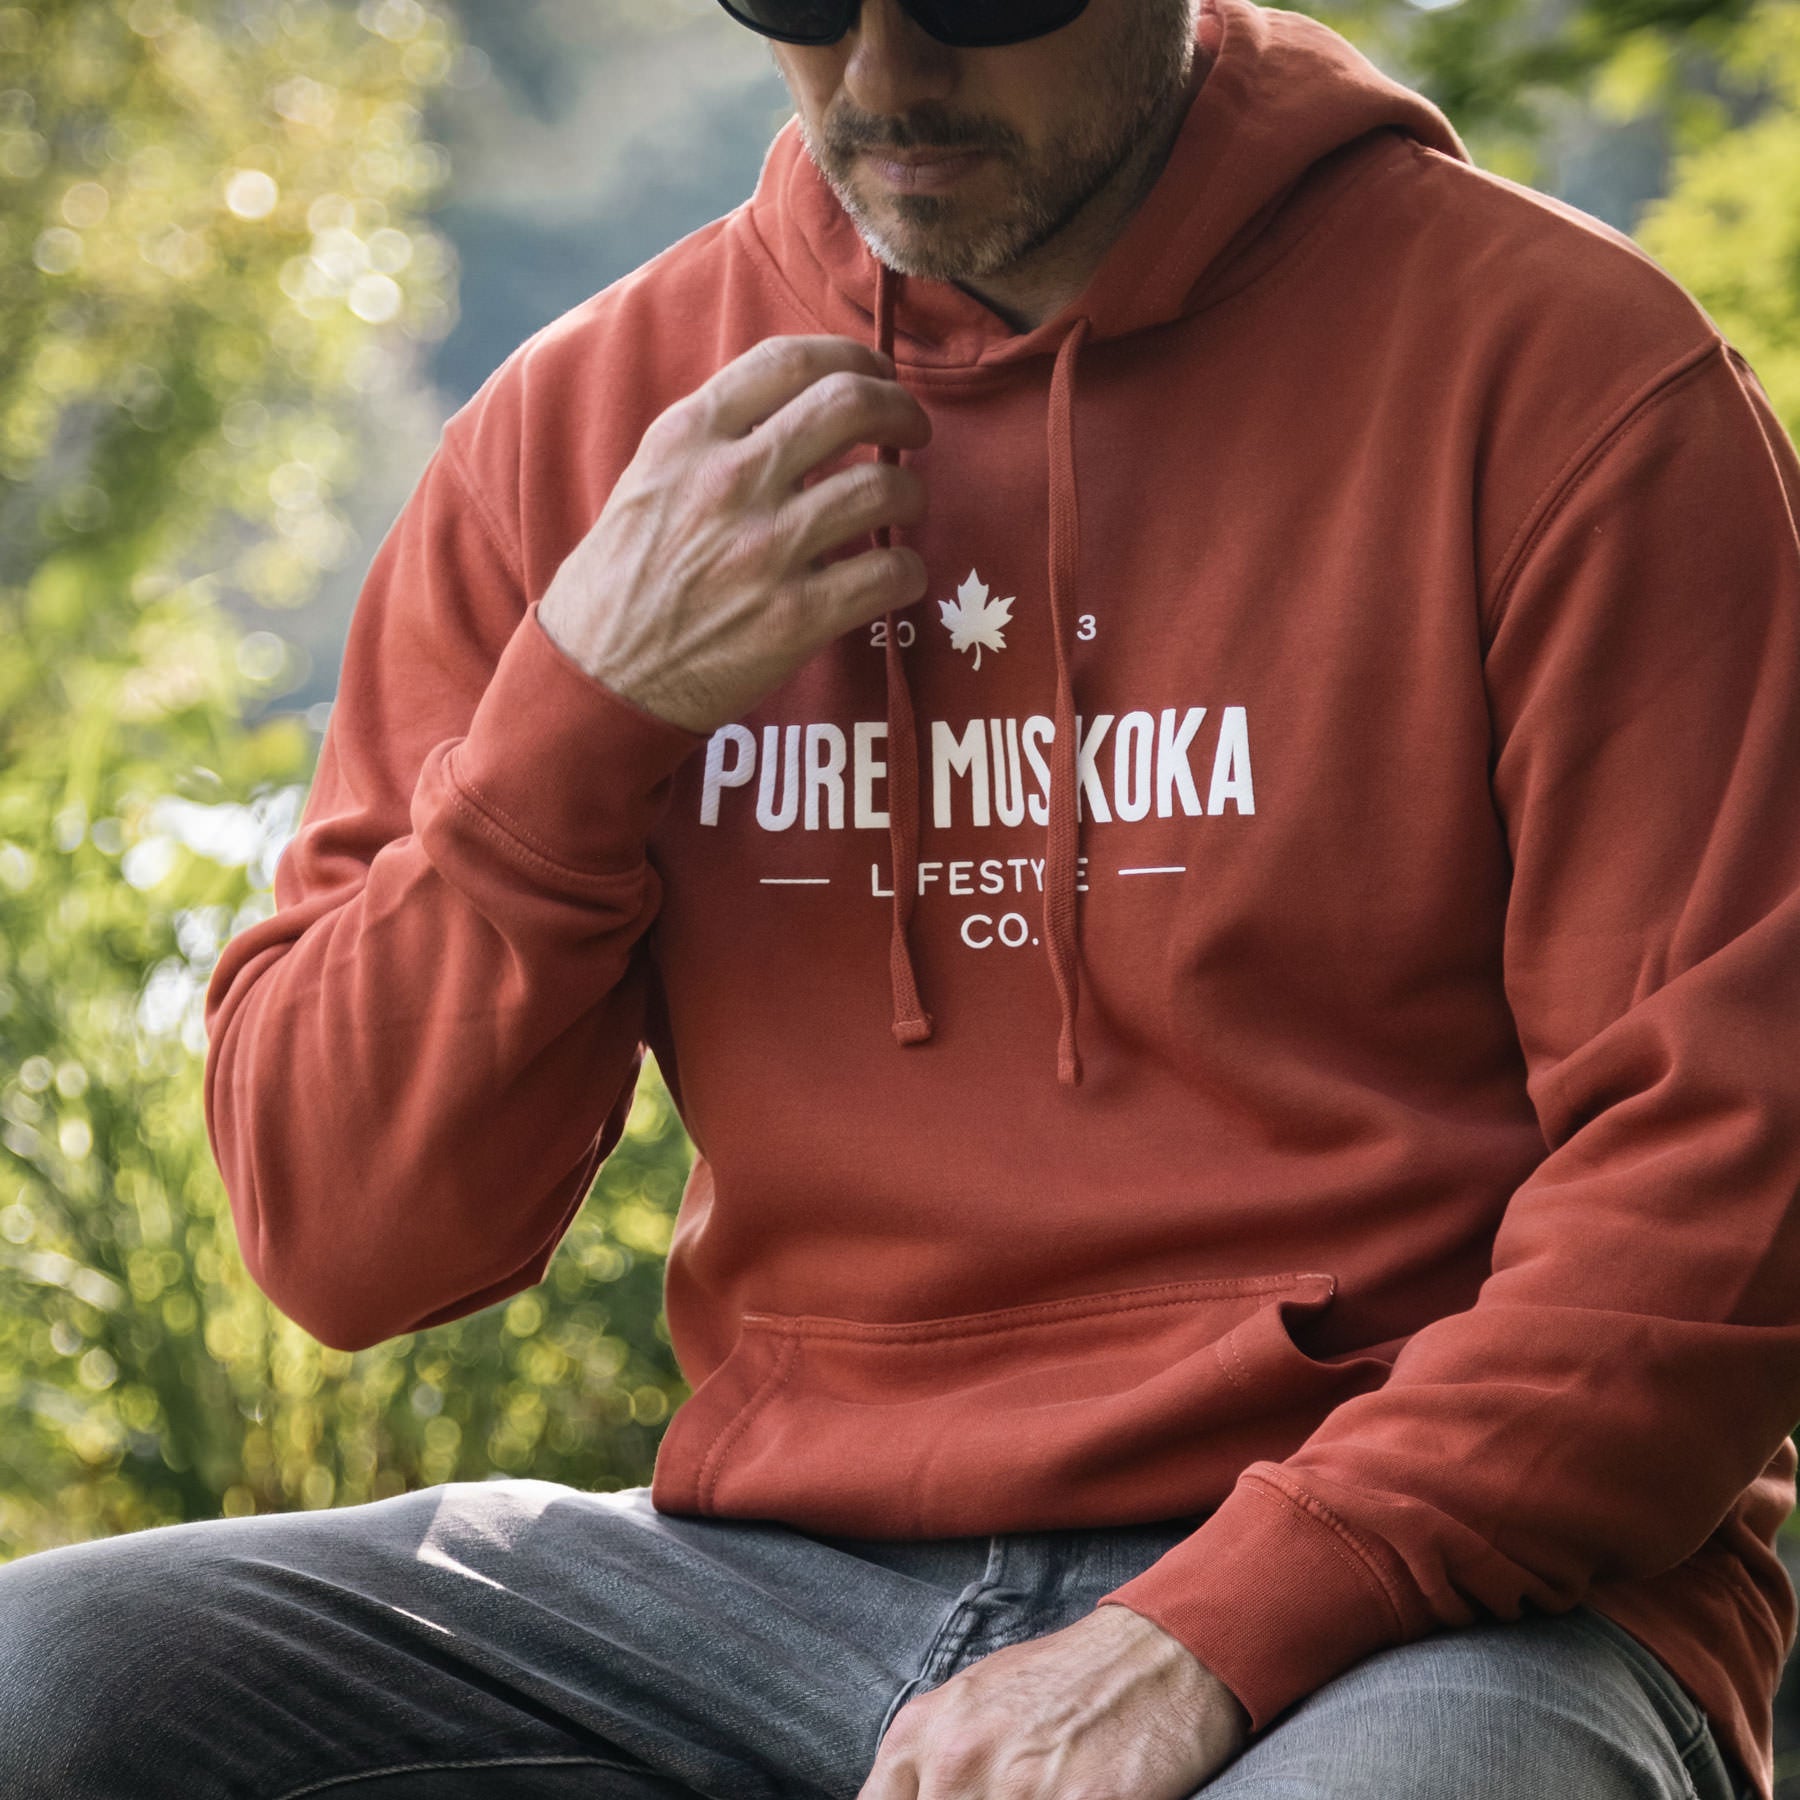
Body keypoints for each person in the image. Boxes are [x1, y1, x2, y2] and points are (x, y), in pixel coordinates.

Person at [2, 0, 1797, 1794]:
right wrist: (584, 709)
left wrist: (1218, 1625)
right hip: (774, 1584)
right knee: (51, 1680)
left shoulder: (1564, 376)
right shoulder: (588, 432)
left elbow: (1731, 1164)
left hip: (1429, 1586)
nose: (881, 77)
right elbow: (342, 1236)